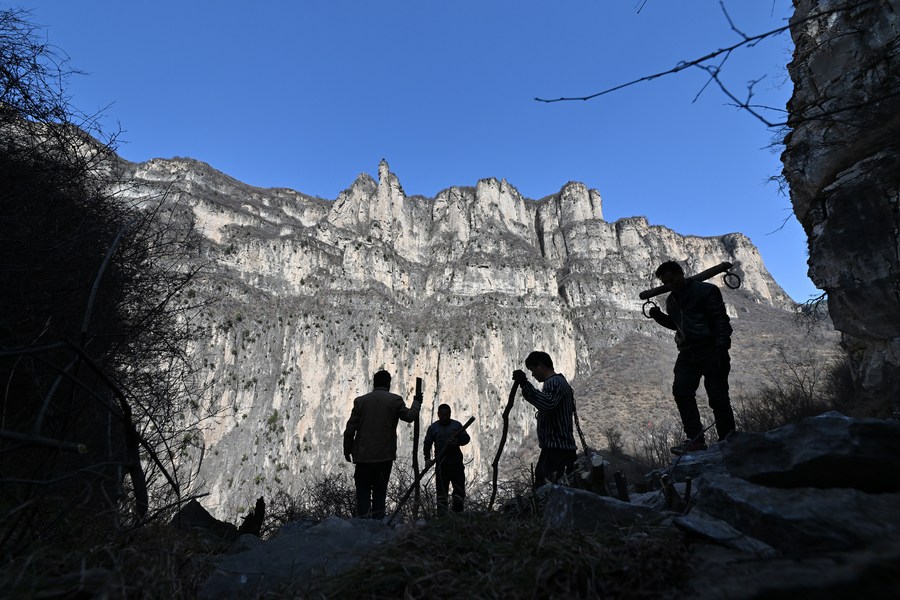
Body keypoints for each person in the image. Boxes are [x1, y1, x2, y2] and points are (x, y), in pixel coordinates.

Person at [647, 260, 736, 455]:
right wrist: (657, 315)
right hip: (687, 352)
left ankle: (728, 439)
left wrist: (721, 348)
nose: (669, 285)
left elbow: (720, 320)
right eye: (665, 282)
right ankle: (695, 439)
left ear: (681, 273)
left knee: (718, 396)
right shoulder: (671, 301)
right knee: (681, 392)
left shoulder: (706, 291)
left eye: (671, 279)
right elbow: (676, 324)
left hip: (711, 348)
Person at [343, 369, 421, 519]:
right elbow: (410, 416)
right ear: (388, 384)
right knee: (380, 492)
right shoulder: (395, 400)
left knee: (363, 493)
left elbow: (350, 429)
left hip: (363, 456)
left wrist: (347, 450)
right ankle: (377, 525)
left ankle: (363, 524)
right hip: (384, 456)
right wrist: (417, 402)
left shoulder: (361, 401)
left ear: (374, 383)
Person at [512, 351, 577, 487]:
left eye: (532, 370)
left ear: (540, 365)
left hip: (557, 449)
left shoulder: (553, 383)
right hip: (559, 448)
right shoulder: (559, 382)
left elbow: (547, 404)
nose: (533, 375)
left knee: (549, 488)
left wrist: (525, 384)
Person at [423, 403, 470, 513]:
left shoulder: (456, 426)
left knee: (459, 491)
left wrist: (457, 441)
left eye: (447, 415)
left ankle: (458, 515)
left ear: (450, 414)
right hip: (441, 465)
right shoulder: (433, 428)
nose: (445, 417)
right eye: (443, 415)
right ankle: (442, 516)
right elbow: (427, 444)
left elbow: (466, 438)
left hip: (456, 464)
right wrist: (427, 458)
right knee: (441, 493)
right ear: (438, 414)